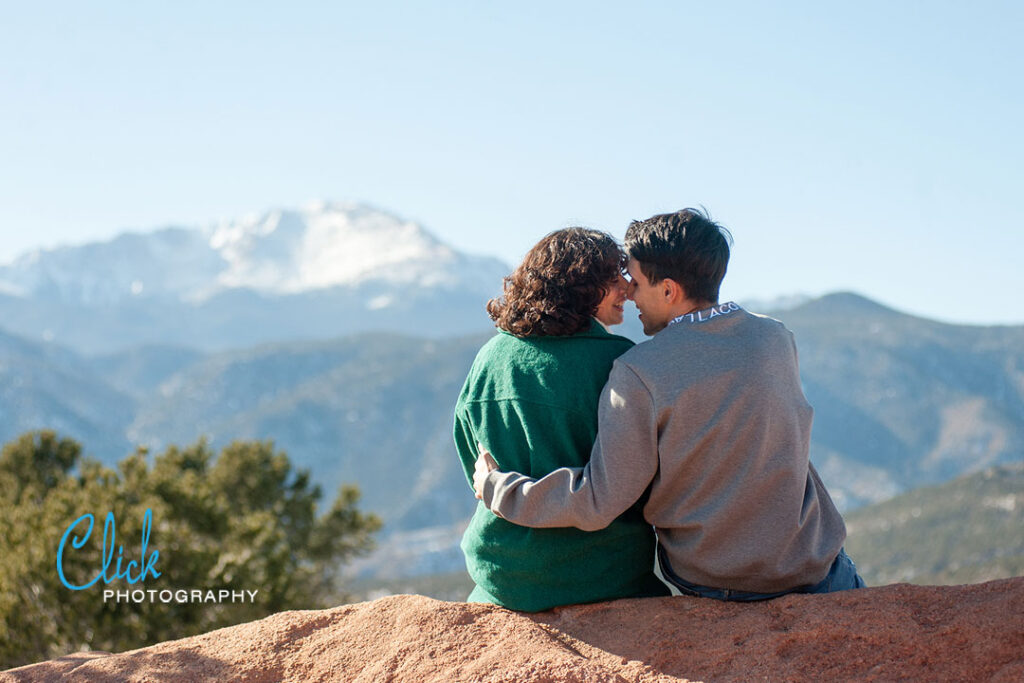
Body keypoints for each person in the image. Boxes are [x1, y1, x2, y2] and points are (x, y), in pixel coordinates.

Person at [474, 209, 865, 601]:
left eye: (636, 280)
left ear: (668, 290)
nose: (627, 292)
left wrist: (498, 489)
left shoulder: (640, 372)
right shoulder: (776, 338)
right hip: (815, 568)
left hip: (717, 582)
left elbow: (598, 501)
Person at [454, 227, 670, 612]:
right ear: (580, 285)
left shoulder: (488, 359)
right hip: (605, 577)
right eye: (612, 277)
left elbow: (470, 454)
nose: (627, 287)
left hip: (502, 579)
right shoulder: (621, 363)